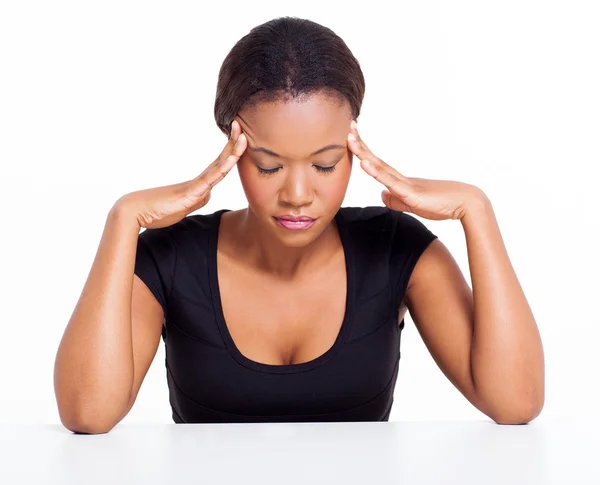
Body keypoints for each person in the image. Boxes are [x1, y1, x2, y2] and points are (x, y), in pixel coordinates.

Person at [54, 16, 545, 434]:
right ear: (233, 148)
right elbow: (87, 414)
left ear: (355, 146)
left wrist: (475, 211)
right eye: (268, 166)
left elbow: (516, 403)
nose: (297, 194)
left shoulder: (397, 248)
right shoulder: (169, 258)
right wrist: (123, 220)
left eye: (326, 164)